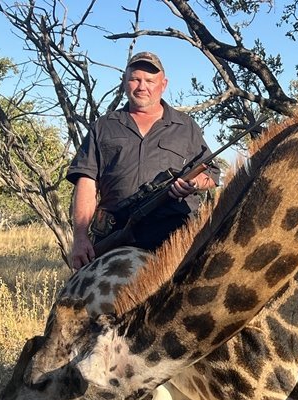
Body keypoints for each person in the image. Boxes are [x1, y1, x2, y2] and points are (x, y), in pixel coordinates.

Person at [67, 51, 220, 270]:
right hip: (113, 235)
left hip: (174, 239)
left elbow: (212, 174)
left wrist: (194, 184)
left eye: (150, 81)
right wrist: (80, 238)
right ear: (124, 82)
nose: (142, 86)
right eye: (135, 79)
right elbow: (86, 181)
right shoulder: (103, 126)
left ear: (163, 84)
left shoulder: (186, 126)